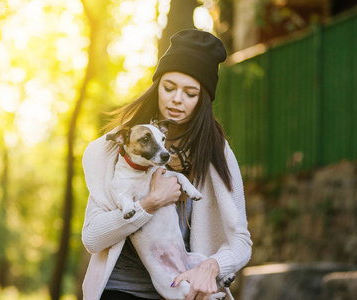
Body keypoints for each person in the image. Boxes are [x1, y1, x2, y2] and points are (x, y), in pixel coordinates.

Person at [81, 29, 252, 300]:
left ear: (203, 99)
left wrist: (211, 266)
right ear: (157, 86)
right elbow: (92, 238)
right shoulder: (119, 146)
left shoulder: (216, 153)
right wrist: (149, 203)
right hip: (121, 290)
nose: (176, 99)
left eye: (190, 93)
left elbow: (241, 242)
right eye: (169, 88)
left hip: (188, 291)